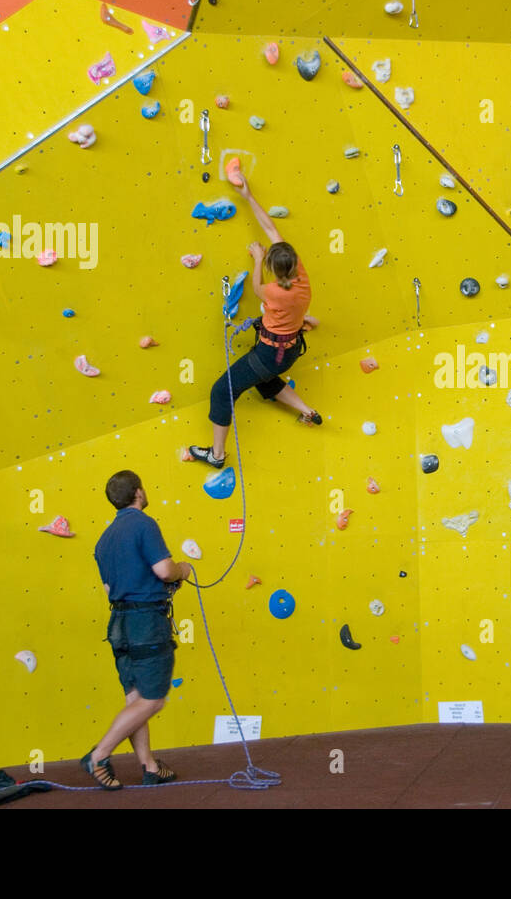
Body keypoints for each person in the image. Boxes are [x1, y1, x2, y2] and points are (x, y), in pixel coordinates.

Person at [189, 166, 321, 469]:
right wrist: (247, 195)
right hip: (286, 353)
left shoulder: (275, 292)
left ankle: (216, 455)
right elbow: (271, 229)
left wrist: (259, 258)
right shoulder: (300, 277)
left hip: (269, 353)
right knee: (263, 381)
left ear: (276, 268)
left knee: (222, 391)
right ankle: (306, 410)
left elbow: (257, 287)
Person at [84, 470, 192, 789]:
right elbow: (163, 570)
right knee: (153, 699)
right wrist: (182, 571)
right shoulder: (144, 524)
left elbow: (109, 588)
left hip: (119, 623)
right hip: (146, 621)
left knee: (135, 699)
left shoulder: (104, 540)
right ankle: (99, 755)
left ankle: (149, 766)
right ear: (139, 493)